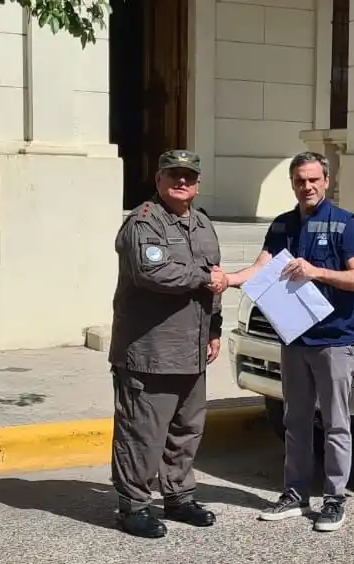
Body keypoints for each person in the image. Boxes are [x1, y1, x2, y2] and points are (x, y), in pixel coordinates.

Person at [223, 151, 354, 532]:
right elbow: (261, 267)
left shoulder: (346, 225)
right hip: (295, 339)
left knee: (337, 423)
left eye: (313, 180)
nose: (306, 186)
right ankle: (295, 493)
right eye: (299, 180)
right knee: (296, 420)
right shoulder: (283, 225)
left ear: (326, 181)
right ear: (292, 183)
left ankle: (335, 499)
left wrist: (316, 272)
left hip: (335, 340)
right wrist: (229, 279)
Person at [109, 149, 228, 539]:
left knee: (185, 429)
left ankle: (178, 496)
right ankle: (134, 506)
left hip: (191, 348)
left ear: (198, 183)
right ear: (158, 180)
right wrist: (204, 278)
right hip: (149, 351)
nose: (181, 182)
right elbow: (153, 272)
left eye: (189, 176)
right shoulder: (143, 223)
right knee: (142, 433)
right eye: (173, 175)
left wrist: (214, 328)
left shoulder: (204, 224)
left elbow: (217, 281)